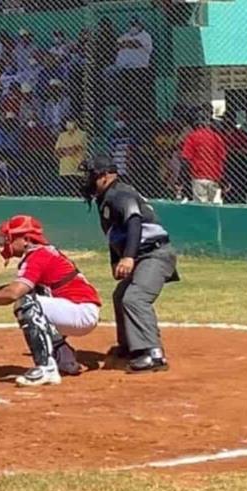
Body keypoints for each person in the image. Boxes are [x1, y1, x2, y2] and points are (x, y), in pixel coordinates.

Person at [0, 215, 102, 387]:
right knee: (34, 298)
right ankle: (65, 360)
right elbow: (23, 287)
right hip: (77, 310)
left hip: (79, 311)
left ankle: (46, 369)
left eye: (10, 238)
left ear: (26, 239)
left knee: (26, 303)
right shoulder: (42, 253)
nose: (6, 243)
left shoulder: (38, 255)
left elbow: (15, 293)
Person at [80, 153, 178, 373]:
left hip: (154, 253)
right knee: (120, 295)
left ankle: (153, 354)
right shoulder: (106, 197)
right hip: (143, 255)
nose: (88, 180)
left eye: (92, 175)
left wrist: (128, 257)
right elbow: (115, 235)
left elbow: (134, 222)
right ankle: (130, 347)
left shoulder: (120, 193)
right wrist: (116, 260)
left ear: (106, 176)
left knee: (135, 298)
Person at [180, 110, 227, 204]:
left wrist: (183, 177)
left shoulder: (192, 137)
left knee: (201, 204)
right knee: (213, 204)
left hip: (198, 175)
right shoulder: (216, 137)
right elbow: (222, 158)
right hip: (214, 176)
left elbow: (186, 159)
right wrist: (223, 178)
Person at [53, 119, 87, 196]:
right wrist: (69, 150)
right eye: (68, 122)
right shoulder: (62, 136)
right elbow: (57, 152)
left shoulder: (82, 134)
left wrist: (64, 150)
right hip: (64, 170)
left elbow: (75, 149)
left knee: (76, 193)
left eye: (71, 122)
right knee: (65, 193)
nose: (69, 124)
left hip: (77, 170)